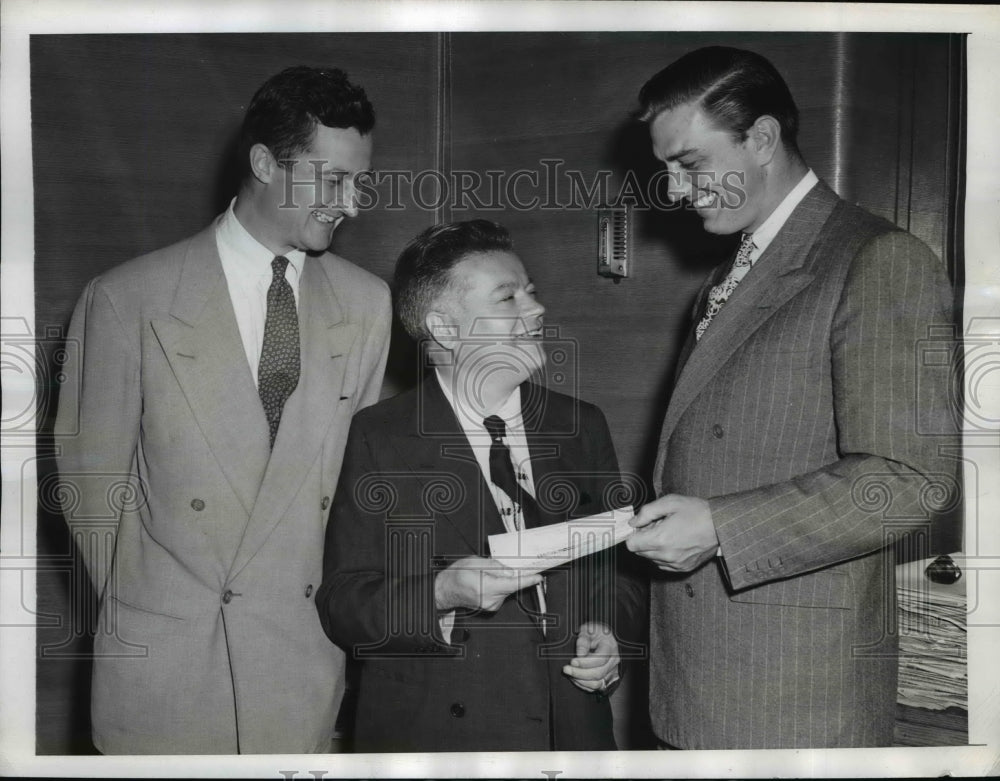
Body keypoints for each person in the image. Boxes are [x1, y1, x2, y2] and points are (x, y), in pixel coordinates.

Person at [625, 46, 959, 749]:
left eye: (689, 164)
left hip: (791, 694)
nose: (676, 192)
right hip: (702, 678)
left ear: (763, 138)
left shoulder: (878, 259)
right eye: (666, 170)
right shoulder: (726, 278)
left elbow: (909, 481)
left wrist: (721, 526)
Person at [54, 66, 391, 754]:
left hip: (298, 665)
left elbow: (350, 497)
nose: (350, 204)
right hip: (167, 673)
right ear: (265, 163)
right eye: (331, 180)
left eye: (358, 182)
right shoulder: (127, 299)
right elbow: (90, 496)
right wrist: (157, 613)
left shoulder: (367, 304)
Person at [316, 220, 646, 752]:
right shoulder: (380, 435)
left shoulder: (582, 425)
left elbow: (620, 574)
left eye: (531, 291)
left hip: (570, 736)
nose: (536, 309)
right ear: (444, 329)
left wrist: (610, 637)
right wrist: (442, 593)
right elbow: (344, 603)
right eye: (508, 298)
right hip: (442, 740)